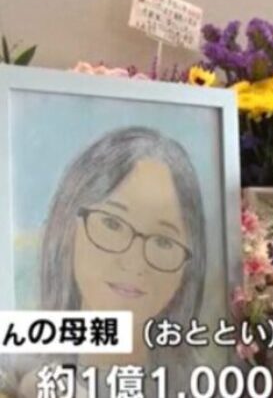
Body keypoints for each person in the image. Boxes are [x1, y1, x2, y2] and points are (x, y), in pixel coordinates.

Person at [19, 126, 207, 396]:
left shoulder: (203, 385)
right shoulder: (22, 362)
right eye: (112, 224)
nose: (134, 263)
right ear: (67, 226)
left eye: (163, 241)